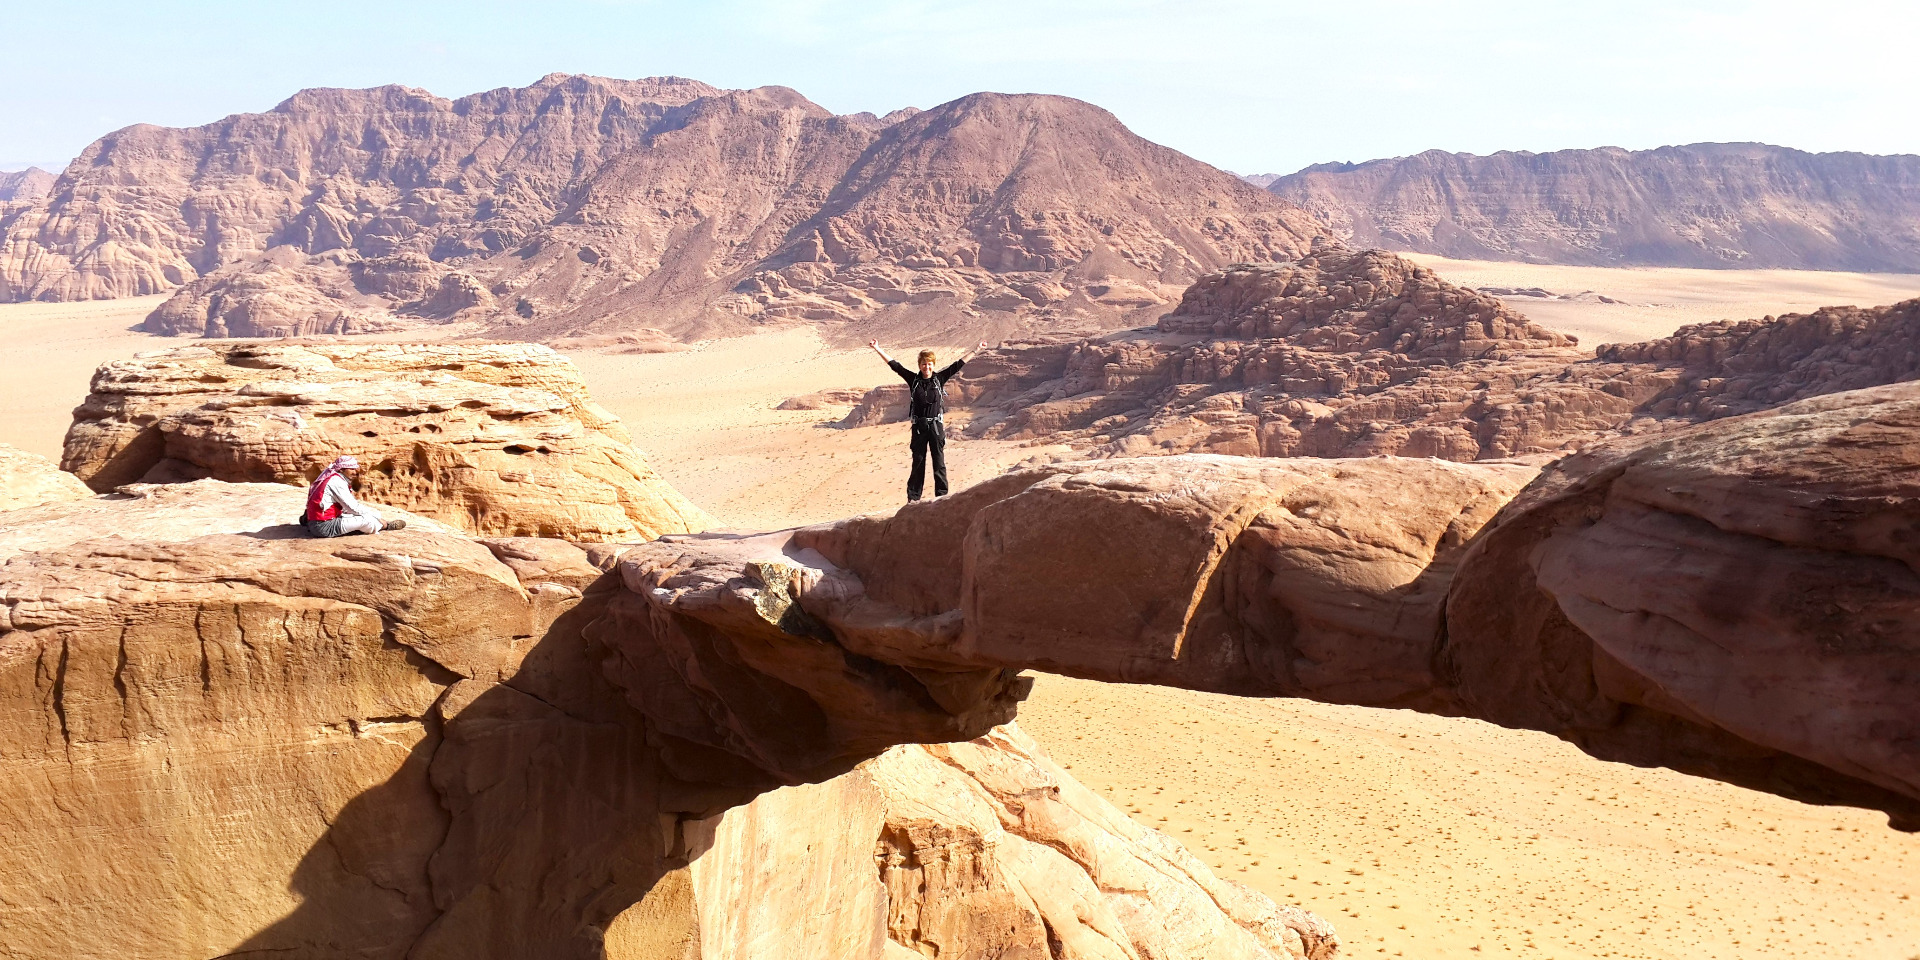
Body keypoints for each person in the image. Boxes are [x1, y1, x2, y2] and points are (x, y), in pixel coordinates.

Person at [868, 339, 991, 501]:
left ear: (934, 365)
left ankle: (942, 497)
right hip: (919, 427)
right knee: (918, 462)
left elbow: (958, 364)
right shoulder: (914, 380)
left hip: (936, 426)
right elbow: (895, 365)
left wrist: (977, 349)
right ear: (920, 365)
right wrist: (878, 348)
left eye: (930, 364)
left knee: (938, 461)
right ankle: (913, 497)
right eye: (924, 364)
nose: (927, 367)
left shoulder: (939, 379)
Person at [300, 455, 405, 537]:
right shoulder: (336, 481)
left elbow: (346, 507)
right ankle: (386, 526)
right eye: (352, 469)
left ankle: (308, 522)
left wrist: (374, 514)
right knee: (368, 520)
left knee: (373, 513)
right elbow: (352, 507)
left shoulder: (333, 478)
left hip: (322, 520)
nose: (355, 472)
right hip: (324, 526)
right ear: (341, 469)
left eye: (355, 469)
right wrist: (376, 518)